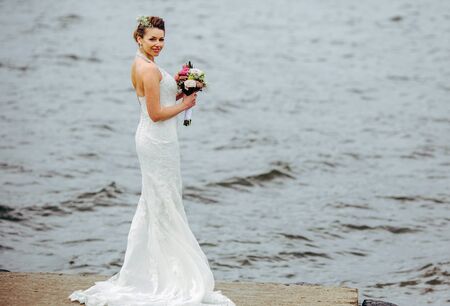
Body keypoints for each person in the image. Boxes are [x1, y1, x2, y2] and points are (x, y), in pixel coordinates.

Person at [68, 16, 236, 306]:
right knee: (163, 202)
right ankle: (168, 276)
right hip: (157, 141)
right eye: (152, 39)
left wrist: (183, 89)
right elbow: (156, 113)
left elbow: (159, 101)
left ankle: (156, 269)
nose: (158, 44)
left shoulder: (144, 65)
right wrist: (184, 104)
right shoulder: (147, 69)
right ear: (139, 39)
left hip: (159, 140)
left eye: (161, 39)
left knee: (158, 201)